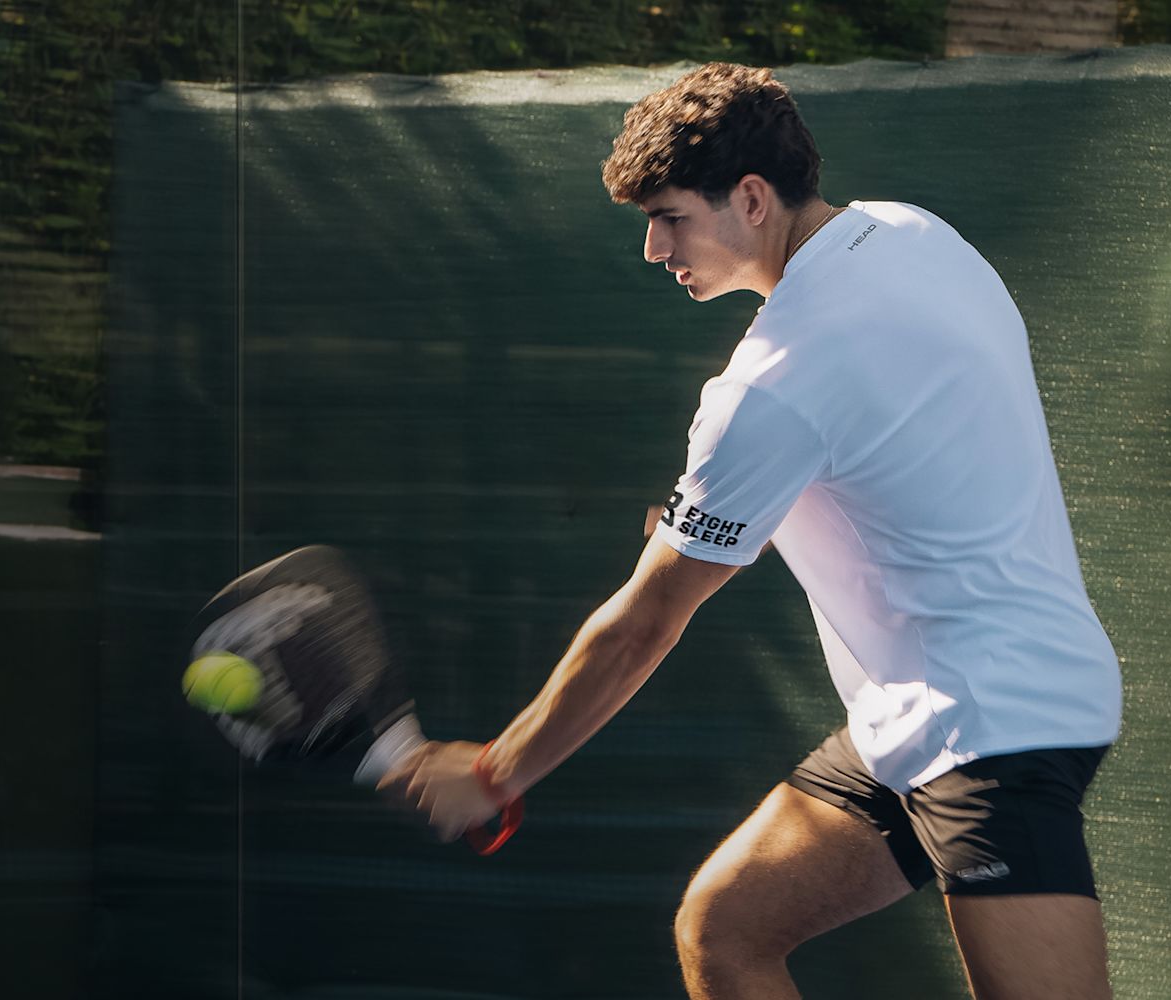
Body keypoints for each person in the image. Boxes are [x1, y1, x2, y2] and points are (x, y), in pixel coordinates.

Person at [379, 62, 1122, 1000]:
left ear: (753, 197)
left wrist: (495, 772)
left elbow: (643, 625)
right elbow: (905, 448)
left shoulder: (770, 387)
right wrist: (747, 512)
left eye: (671, 217)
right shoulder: (915, 235)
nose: (653, 249)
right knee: (726, 929)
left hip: (990, 725)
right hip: (933, 710)